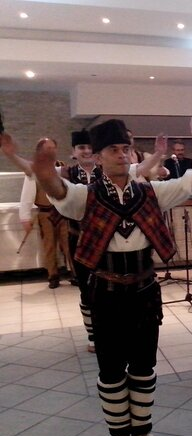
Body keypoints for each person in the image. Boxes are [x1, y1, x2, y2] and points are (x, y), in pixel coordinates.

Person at [31, 119, 192, 436]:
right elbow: (57, 190)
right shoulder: (86, 196)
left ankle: (143, 429)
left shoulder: (149, 192)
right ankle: (119, 434)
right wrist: (44, 168)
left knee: (143, 365)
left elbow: (189, 182)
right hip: (105, 292)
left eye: (126, 149)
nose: (121, 156)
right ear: (98, 155)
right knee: (110, 368)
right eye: (113, 150)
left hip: (145, 291)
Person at [2, 135, 72, 289]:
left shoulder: (63, 168)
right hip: (46, 214)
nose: (51, 151)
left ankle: (74, 273)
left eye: (53, 148)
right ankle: (53, 275)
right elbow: (27, 196)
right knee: (49, 245)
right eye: (48, 149)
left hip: (63, 213)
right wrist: (25, 217)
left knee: (68, 244)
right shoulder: (34, 169)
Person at [60, 129, 103, 351]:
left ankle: (111, 331)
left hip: (106, 241)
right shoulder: (66, 174)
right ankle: (93, 336)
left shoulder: (106, 173)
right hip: (78, 240)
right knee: (86, 290)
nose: (86, 151)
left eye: (89, 147)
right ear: (73, 152)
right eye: (81, 148)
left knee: (107, 287)